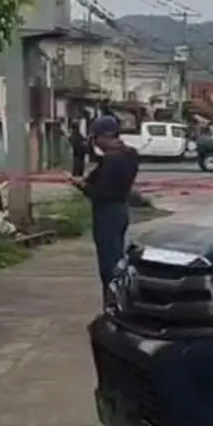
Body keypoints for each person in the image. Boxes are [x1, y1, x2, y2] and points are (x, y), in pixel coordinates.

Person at [70, 116, 140, 298]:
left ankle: (113, 305)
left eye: (96, 138)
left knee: (109, 266)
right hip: (121, 209)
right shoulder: (130, 155)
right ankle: (119, 302)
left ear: (104, 136)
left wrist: (82, 185)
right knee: (117, 259)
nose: (96, 144)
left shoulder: (112, 161)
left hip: (107, 212)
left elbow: (100, 192)